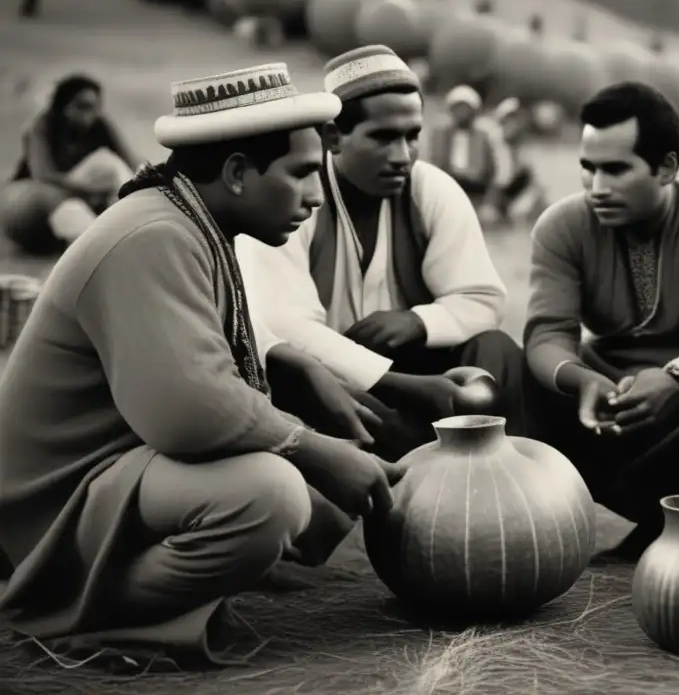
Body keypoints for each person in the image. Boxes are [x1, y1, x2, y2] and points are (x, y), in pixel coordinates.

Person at [0, 62, 405, 661]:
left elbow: (212, 356)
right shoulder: (152, 236)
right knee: (269, 498)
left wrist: (293, 373)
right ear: (238, 172)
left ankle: (173, 577)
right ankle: (70, 606)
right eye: (300, 174)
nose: (318, 196)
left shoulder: (187, 222)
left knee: (298, 474)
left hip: (118, 468)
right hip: (50, 509)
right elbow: (186, 409)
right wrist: (311, 450)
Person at [523, 82, 679, 561]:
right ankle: (557, 522)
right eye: (588, 168)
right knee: (518, 370)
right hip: (611, 383)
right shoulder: (560, 226)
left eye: (616, 169)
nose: (597, 188)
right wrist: (580, 380)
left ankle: (676, 516)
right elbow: (546, 335)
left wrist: (678, 378)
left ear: (667, 168)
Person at [236, 46, 528, 459]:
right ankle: (419, 478)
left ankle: (509, 471)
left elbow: (483, 299)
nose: (403, 156)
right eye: (383, 137)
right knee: (308, 386)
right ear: (333, 137)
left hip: (422, 370)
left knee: (495, 350)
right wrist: (397, 382)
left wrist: (417, 321)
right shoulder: (293, 195)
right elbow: (283, 328)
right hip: (330, 382)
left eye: (412, 136)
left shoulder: (432, 189)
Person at [0, 74, 142, 254]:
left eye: (95, 107)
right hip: (29, 204)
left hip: (72, 200)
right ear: (63, 107)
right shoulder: (42, 126)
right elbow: (43, 175)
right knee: (60, 200)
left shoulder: (99, 125)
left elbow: (130, 162)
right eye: (82, 107)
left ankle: (131, 223)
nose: (90, 114)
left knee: (110, 164)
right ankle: (99, 241)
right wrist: (89, 189)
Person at [425, 84, 510, 220]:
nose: (461, 112)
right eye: (457, 108)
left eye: (466, 108)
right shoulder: (440, 134)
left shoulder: (485, 136)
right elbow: (434, 165)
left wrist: (490, 202)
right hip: (449, 184)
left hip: (477, 188)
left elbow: (496, 171)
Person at [487, 97, 549, 225]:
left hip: (512, 192)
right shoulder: (493, 144)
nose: (513, 124)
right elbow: (496, 178)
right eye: (509, 120)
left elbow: (531, 178)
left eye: (515, 120)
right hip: (495, 194)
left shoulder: (520, 146)